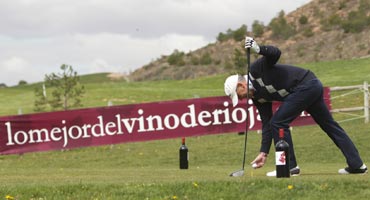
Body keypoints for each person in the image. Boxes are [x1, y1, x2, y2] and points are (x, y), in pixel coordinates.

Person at [224, 37, 367, 176]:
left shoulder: (256, 70)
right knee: (328, 125)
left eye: (239, 95)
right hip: (306, 90)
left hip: (308, 84)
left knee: (279, 122)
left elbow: (275, 53)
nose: (242, 99)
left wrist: (258, 49)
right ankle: (357, 165)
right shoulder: (257, 98)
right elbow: (267, 124)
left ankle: (289, 167)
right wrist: (264, 152)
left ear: (241, 85)